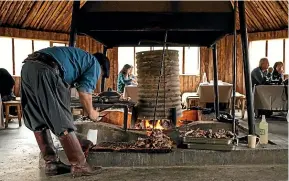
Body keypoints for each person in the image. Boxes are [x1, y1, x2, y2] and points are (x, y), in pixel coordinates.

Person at [21, 47, 108, 177]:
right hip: (46, 70)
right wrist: (92, 113)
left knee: (36, 117)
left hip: (28, 67)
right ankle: (80, 165)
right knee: (61, 118)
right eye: (100, 75)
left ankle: (51, 164)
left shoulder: (77, 58)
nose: (97, 77)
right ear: (102, 67)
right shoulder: (94, 63)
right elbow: (85, 93)